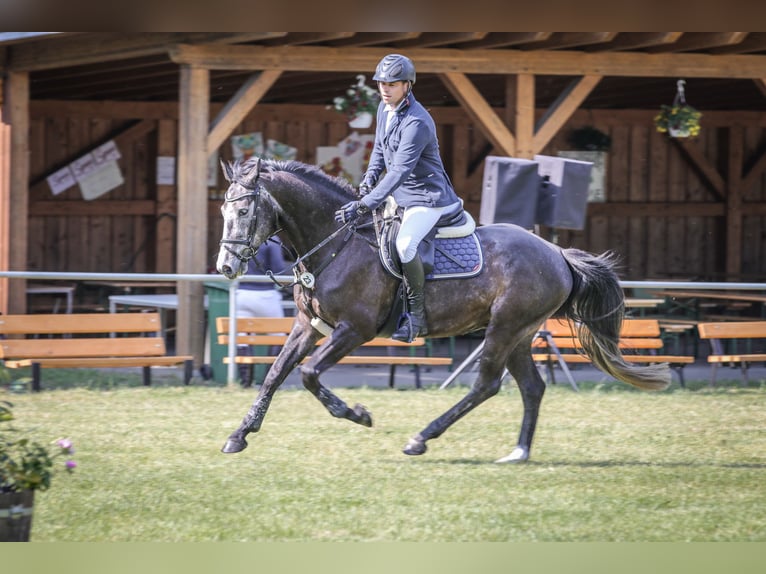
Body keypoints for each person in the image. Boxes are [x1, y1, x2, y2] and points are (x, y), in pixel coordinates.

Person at [335, 53, 463, 342]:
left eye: (392, 83)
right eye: (381, 82)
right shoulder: (384, 108)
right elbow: (380, 150)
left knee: (405, 246)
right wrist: (367, 181)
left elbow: (400, 172)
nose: (385, 88)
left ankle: (417, 316)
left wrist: (365, 204)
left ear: (408, 85)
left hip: (427, 198)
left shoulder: (417, 122)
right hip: (401, 196)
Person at [235, 238, 290, 385]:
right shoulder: (271, 241)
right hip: (266, 295)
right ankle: (269, 381)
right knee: (278, 337)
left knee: (243, 338)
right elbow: (278, 269)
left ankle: (246, 382)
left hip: (241, 294)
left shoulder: (240, 238)